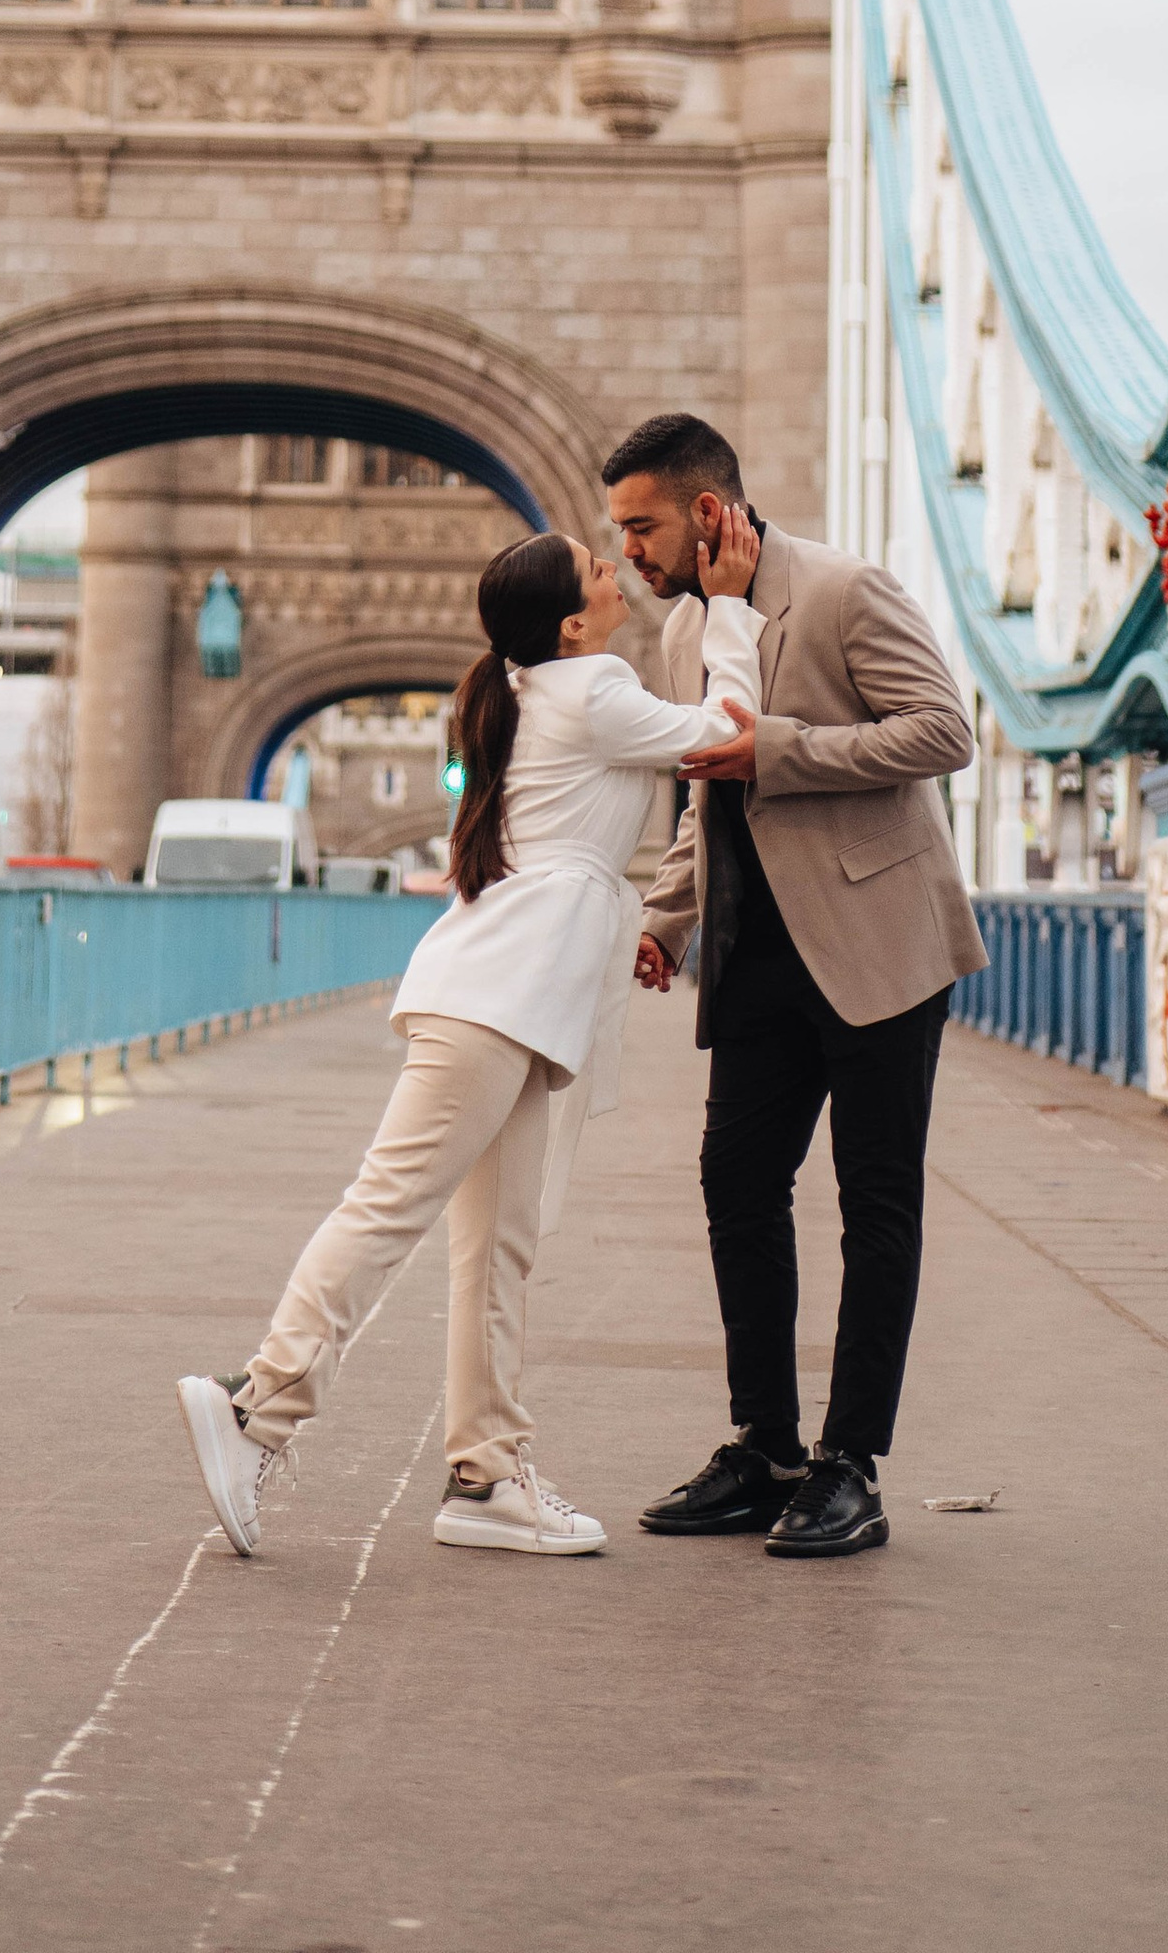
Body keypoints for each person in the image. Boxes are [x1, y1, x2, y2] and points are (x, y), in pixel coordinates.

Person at [177, 519, 762, 1558]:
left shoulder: (538, 689)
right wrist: (730, 610)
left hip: (512, 995)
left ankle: (485, 1476)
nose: (615, 569)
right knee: (391, 1206)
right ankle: (256, 1404)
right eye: (597, 568)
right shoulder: (592, 689)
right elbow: (726, 731)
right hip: (499, 997)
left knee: (498, 1244)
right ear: (572, 622)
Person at [607, 409, 984, 1560]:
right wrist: (667, 917)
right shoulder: (686, 630)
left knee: (874, 1205)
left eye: (641, 528)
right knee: (736, 1185)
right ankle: (764, 1448)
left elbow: (943, 733)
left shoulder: (843, 591)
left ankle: (848, 1465)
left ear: (706, 511)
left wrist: (778, 747)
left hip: (880, 945)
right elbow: (706, 799)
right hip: (757, 955)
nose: (628, 552)